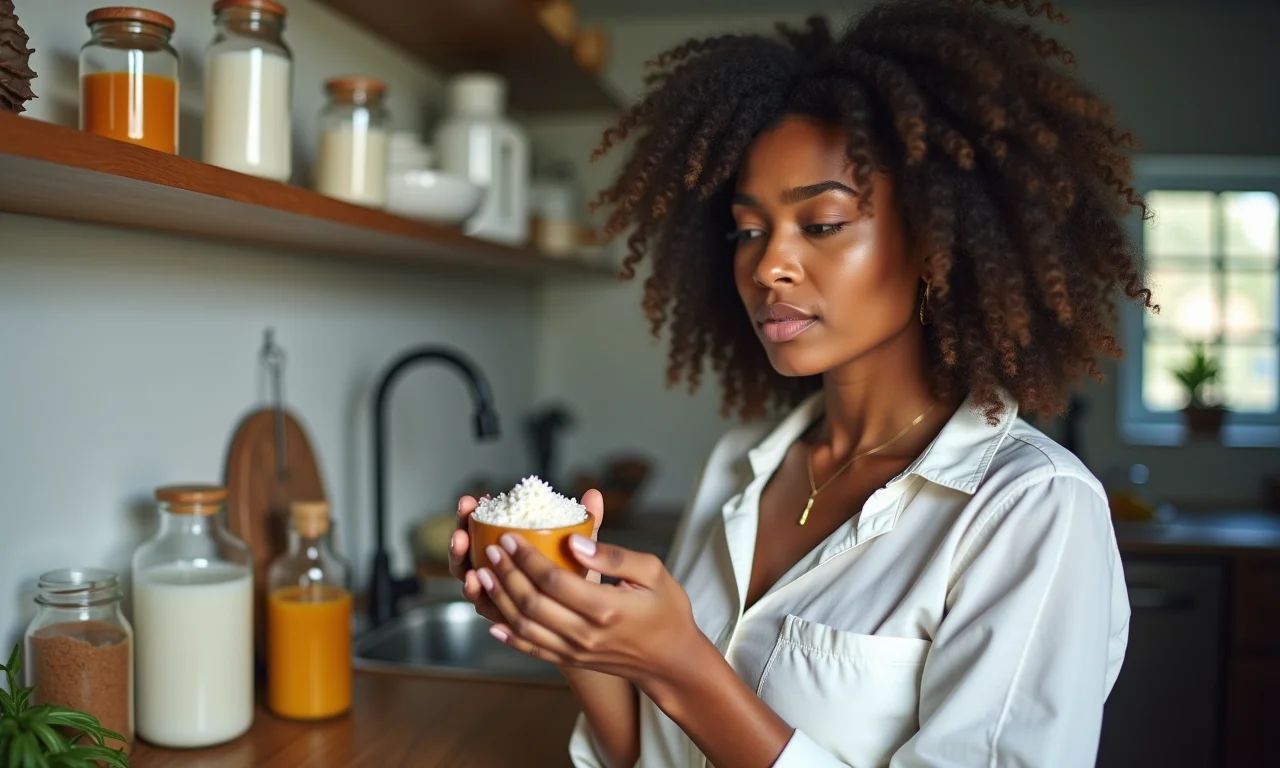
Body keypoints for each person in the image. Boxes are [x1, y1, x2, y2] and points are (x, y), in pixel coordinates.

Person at [449, 0, 1154, 765]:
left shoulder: (1032, 509)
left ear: (934, 244)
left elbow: (681, 680)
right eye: (749, 230)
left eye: (820, 224)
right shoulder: (739, 466)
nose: (767, 266)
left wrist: (680, 664)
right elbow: (647, 756)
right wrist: (574, 632)